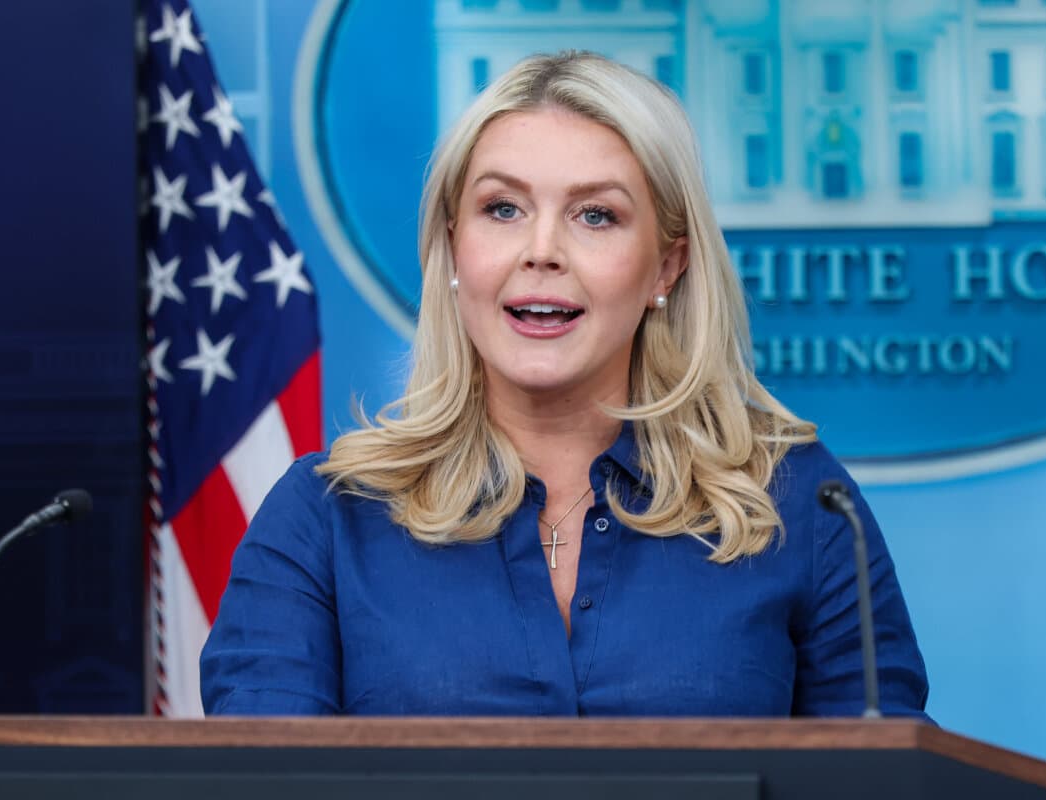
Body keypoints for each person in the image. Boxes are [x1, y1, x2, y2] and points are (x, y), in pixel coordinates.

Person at [200, 51, 929, 717]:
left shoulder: (798, 504)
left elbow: (887, 777)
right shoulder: (326, 518)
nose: (542, 250)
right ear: (454, 246)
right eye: (503, 209)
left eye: (595, 215)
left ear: (666, 267)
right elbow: (264, 780)